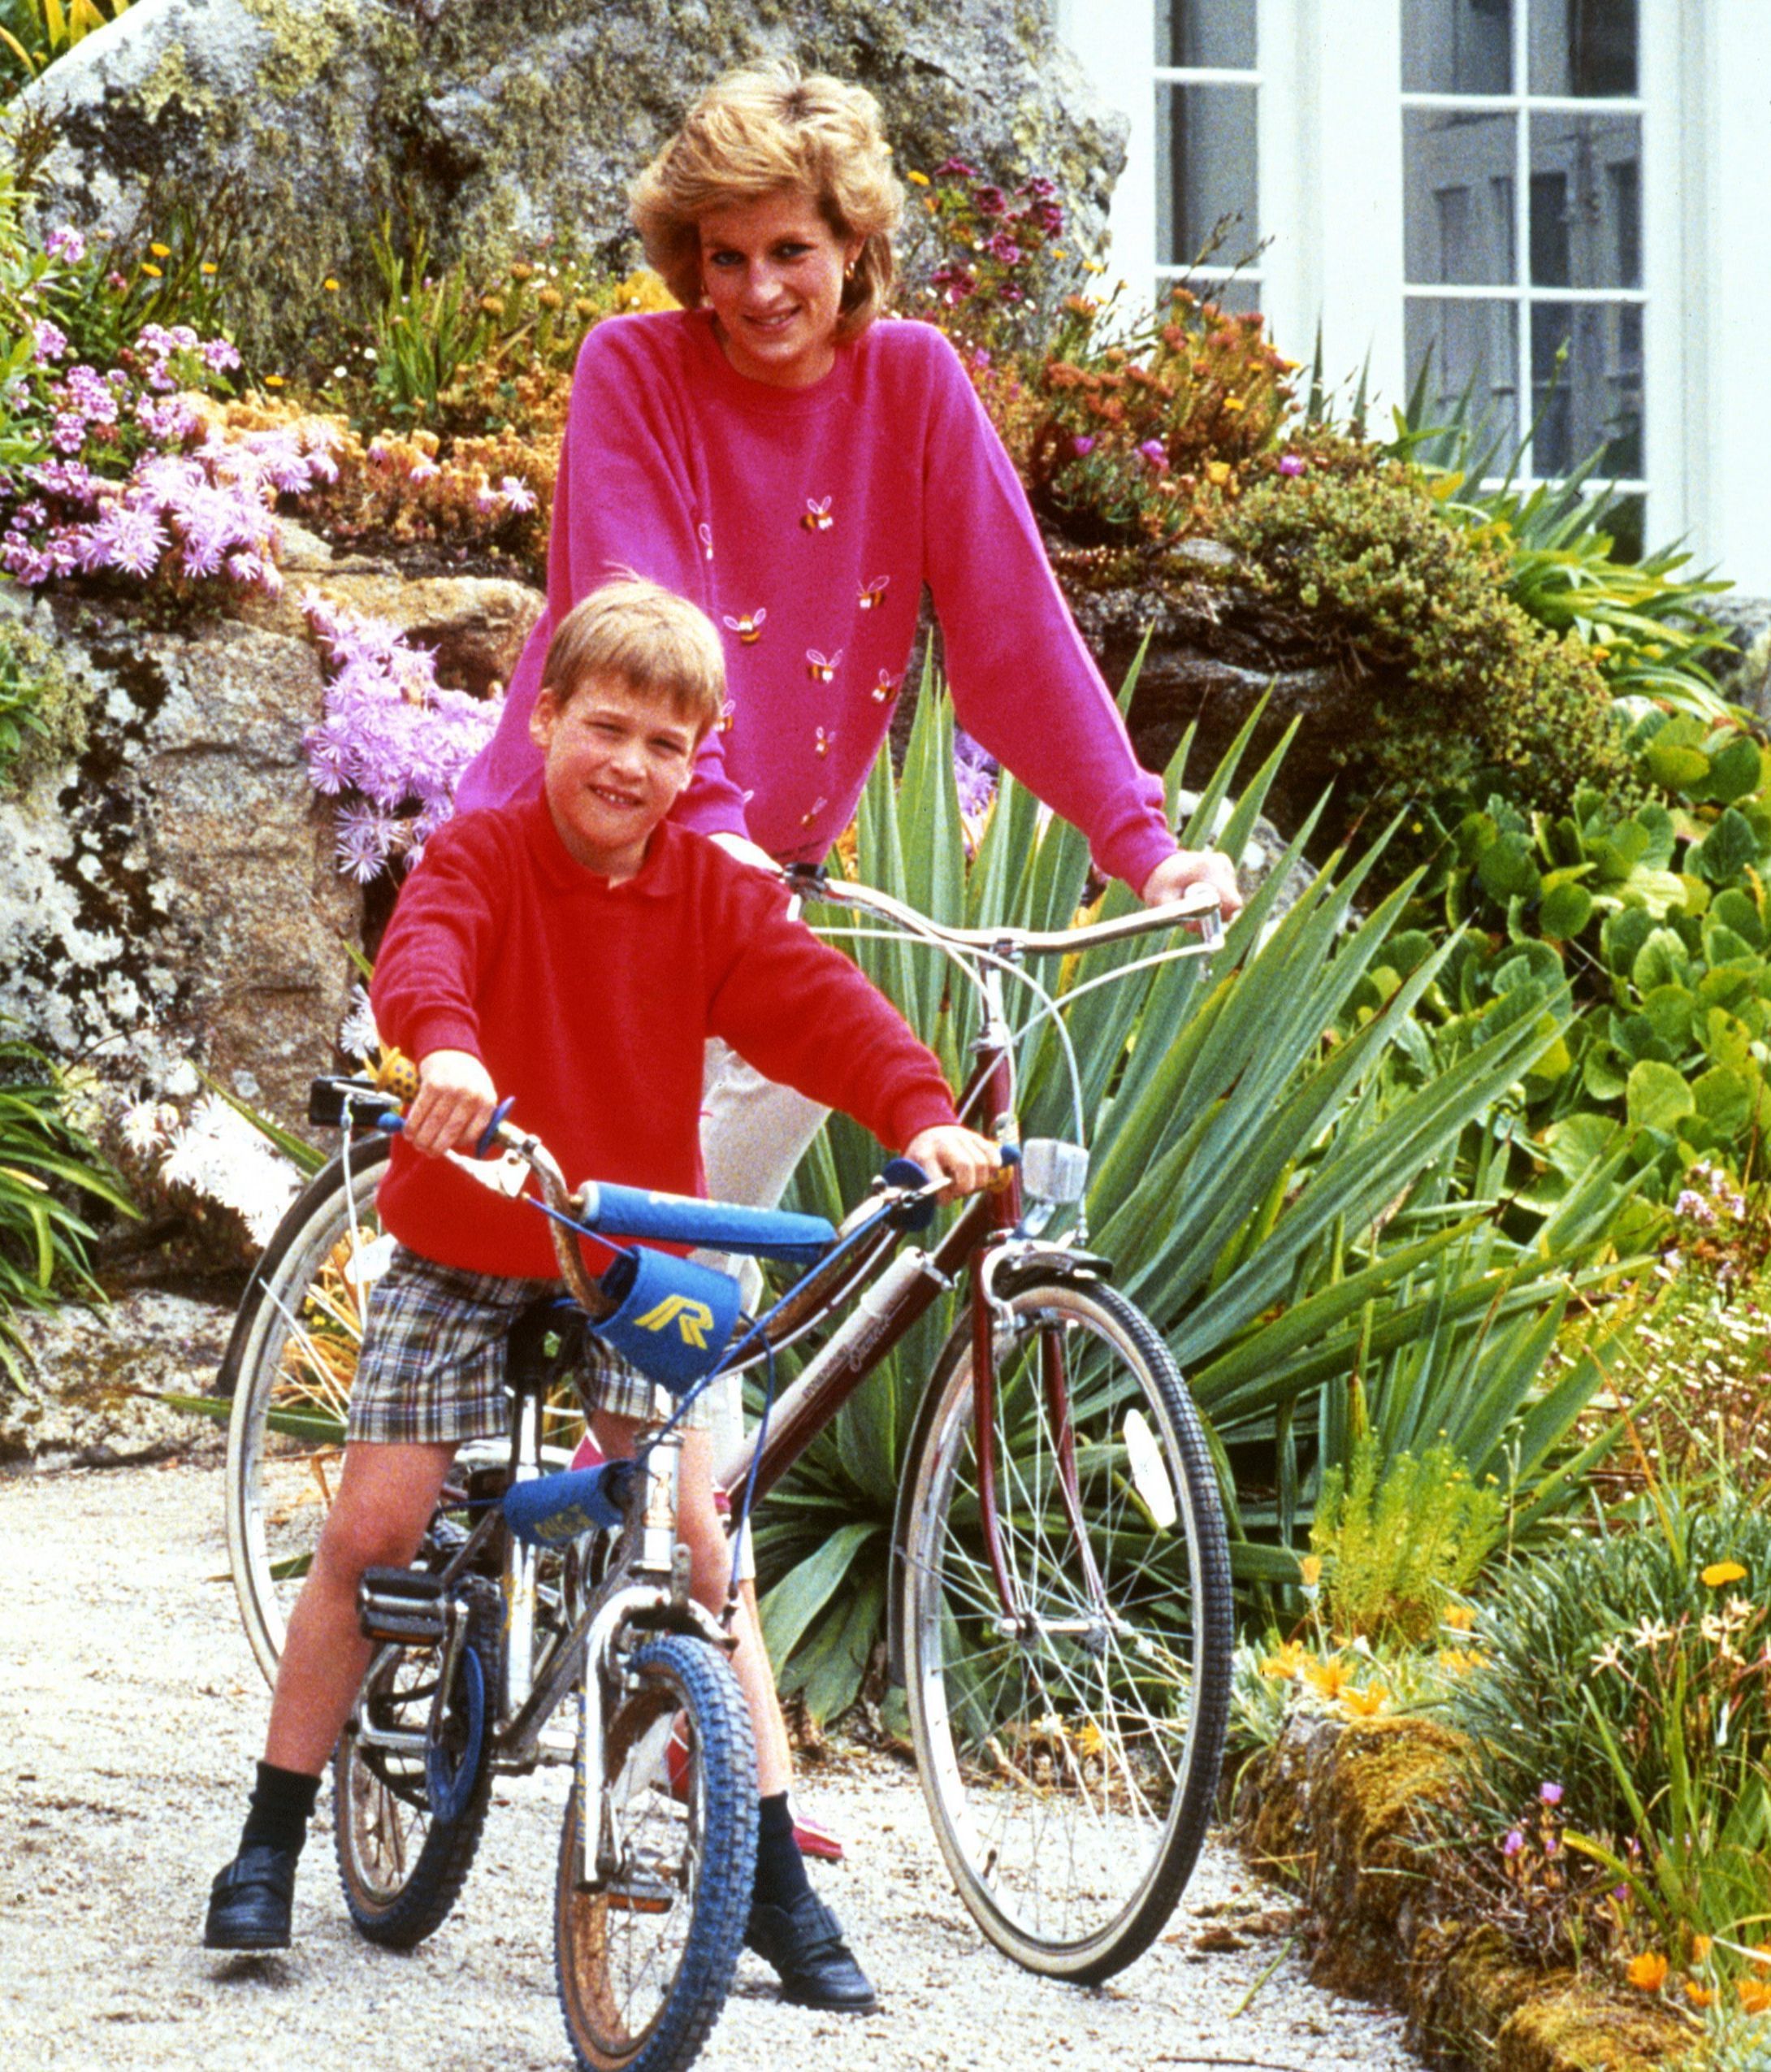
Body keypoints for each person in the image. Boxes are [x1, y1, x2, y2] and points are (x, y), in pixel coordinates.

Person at [204, 578, 1000, 2013]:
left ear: (695, 768)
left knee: (699, 1545)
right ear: (548, 718)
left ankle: (769, 1882)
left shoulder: (709, 895)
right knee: (374, 1527)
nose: (630, 766)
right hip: (467, 1230)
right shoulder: (486, 853)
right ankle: (269, 1831)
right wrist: (442, 1051)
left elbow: (820, 1006)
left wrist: (920, 1107)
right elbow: (422, 959)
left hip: (618, 1252)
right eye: (607, 727)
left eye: (665, 746)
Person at [454, 54, 1245, 1232]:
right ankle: (625, 1375)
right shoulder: (634, 371)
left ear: (855, 247)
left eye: (791, 252)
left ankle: (646, 1387)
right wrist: (712, 823)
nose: (759, 288)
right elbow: (641, 625)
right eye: (726, 257)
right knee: (708, 1189)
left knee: (705, 1251)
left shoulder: (914, 380)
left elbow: (1013, 639)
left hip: (746, 884)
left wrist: (1142, 845)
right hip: (594, 846)